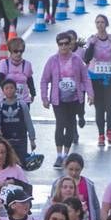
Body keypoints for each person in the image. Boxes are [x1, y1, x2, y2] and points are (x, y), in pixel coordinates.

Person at [41, 31, 93, 168]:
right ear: (58, 45)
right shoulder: (52, 61)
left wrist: (90, 94)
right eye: (61, 44)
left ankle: (66, 154)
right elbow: (44, 80)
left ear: (70, 45)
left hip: (74, 99)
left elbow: (86, 78)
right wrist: (44, 98)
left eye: (66, 44)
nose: (63, 47)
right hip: (58, 100)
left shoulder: (77, 61)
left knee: (70, 126)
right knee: (60, 124)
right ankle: (59, 156)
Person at [81, 16, 111, 148]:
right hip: (95, 77)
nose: (100, 25)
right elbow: (86, 58)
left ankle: (109, 131)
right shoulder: (92, 39)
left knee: (110, 108)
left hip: (110, 77)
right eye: (97, 22)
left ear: (106, 24)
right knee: (99, 108)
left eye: (102, 22)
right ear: (95, 25)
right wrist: (93, 44)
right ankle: (101, 134)